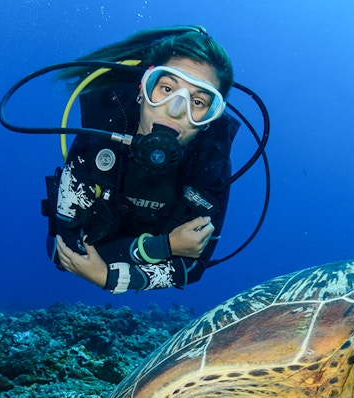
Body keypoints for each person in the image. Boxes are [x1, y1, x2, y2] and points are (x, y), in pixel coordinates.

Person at [46, 27, 237, 294]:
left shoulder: (210, 165)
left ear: (209, 120)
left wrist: (111, 276)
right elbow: (63, 251)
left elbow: (192, 268)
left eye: (198, 102)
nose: (175, 110)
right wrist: (163, 247)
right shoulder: (101, 135)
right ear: (143, 89)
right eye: (167, 88)